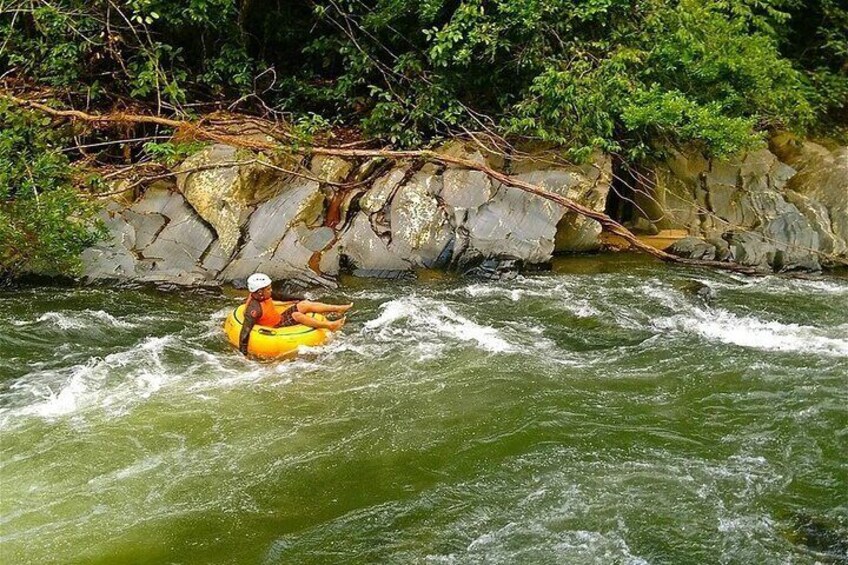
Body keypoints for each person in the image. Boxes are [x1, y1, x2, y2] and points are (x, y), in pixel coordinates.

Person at [238, 273, 352, 355]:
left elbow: (276, 300)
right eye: (268, 289)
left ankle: (338, 309)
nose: (271, 290)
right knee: (296, 315)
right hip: (275, 326)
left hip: (278, 318)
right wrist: (243, 353)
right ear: (260, 292)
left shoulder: (262, 296)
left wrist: (293, 300)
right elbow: (245, 331)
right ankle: (330, 326)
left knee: (304, 304)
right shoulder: (254, 309)